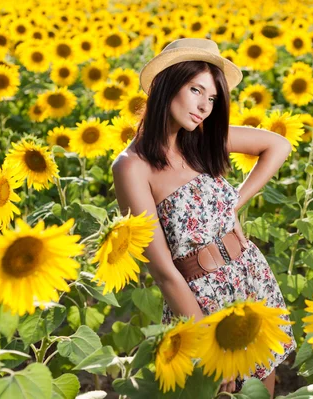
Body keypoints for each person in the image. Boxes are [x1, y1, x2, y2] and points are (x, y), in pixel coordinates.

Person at [111, 38, 297, 397]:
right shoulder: (132, 167)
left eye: (212, 98)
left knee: (261, 389)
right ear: (167, 83)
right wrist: (212, 344)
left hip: (249, 275)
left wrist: (234, 203)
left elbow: (278, 145)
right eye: (196, 90)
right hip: (201, 301)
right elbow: (164, 271)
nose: (204, 106)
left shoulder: (199, 141)